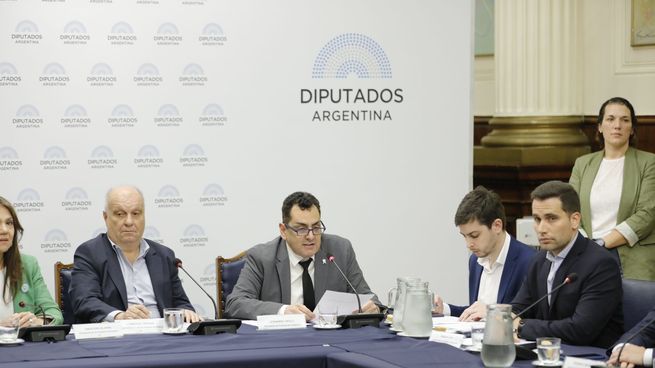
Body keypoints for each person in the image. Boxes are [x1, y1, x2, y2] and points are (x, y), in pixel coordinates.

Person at [225, 191, 382, 321]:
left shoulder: (340, 250)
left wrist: (372, 307)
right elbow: (235, 304)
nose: (311, 236)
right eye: (301, 229)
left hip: (333, 339)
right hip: (283, 342)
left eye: (316, 227)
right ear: (283, 230)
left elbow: (368, 297)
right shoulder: (261, 257)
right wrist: (283, 311)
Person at [511, 180, 623, 348]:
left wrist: (521, 326)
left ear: (574, 220)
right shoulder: (539, 260)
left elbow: (580, 330)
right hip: (548, 353)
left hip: (589, 357)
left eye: (551, 218)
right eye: (537, 219)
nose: (541, 228)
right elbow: (519, 308)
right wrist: (503, 318)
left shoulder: (601, 264)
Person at [70, 186, 200, 323]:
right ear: (105, 217)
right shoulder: (90, 253)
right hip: (118, 338)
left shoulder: (164, 255)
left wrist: (186, 311)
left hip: (163, 336)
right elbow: (84, 301)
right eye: (120, 214)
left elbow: (181, 303)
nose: (129, 222)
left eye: (136, 213)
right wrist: (120, 316)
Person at [569, 97, 655, 281]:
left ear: (632, 129)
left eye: (625, 120)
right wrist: (586, 245)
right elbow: (570, 209)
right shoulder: (582, 164)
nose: (617, 125)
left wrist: (602, 243)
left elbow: (648, 213)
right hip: (585, 252)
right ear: (600, 126)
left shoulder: (649, 163)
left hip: (630, 254)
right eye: (610, 119)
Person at [434, 186, 536, 321]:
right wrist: (444, 309)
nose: (469, 244)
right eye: (464, 236)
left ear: (497, 226)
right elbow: (476, 312)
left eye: (474, 235)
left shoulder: (530, 261)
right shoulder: (475, 261)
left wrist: (492, 312)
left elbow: (531, 317)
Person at [0, 196, 63, 327]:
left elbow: (53, 313)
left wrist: (37, 322)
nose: (5, 230)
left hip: (22, 346)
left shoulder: (28, 265)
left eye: (9, 223)